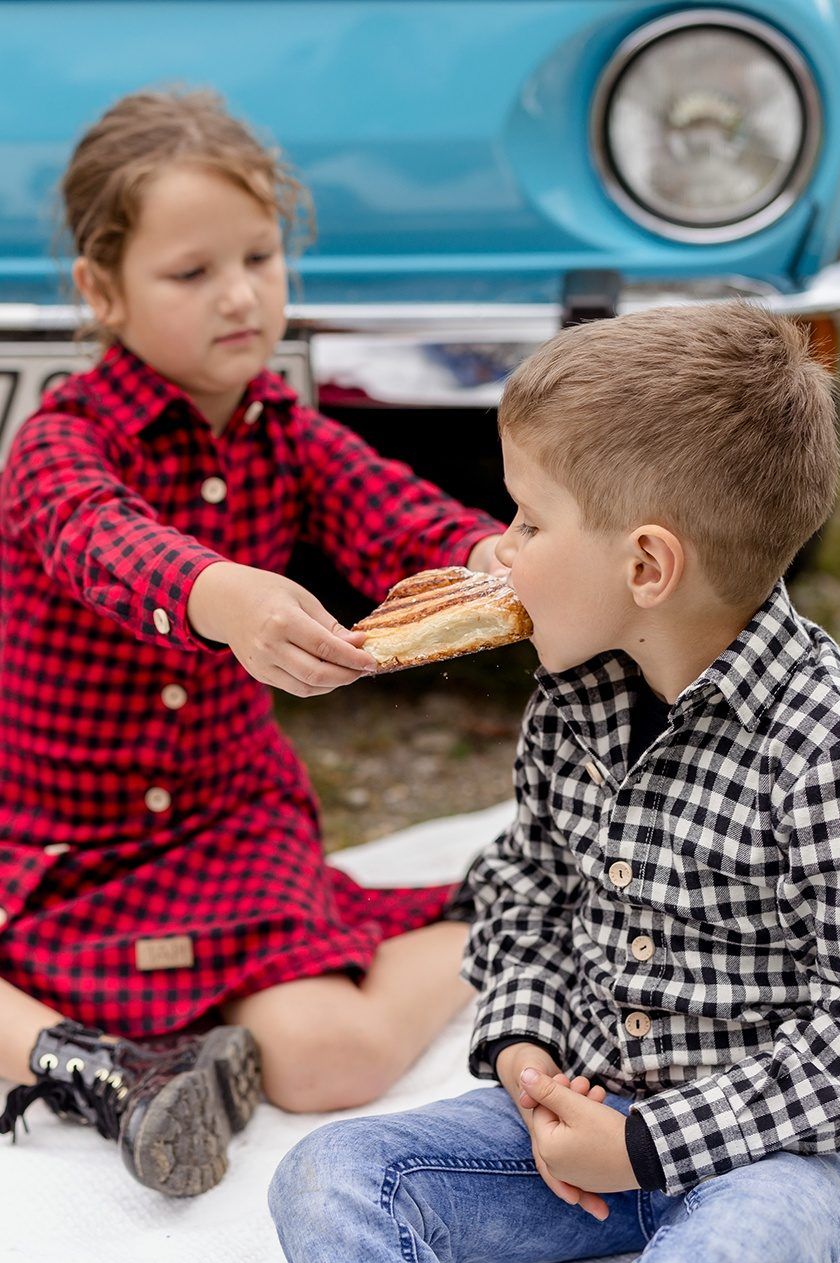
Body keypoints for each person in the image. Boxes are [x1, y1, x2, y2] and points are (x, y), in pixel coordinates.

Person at [268, 304, 840, 1263]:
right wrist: (523, 1048)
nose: (497, 556)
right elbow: (528, 887)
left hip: (772, 1150)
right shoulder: (574, 697)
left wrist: (642, 1148)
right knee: (327, 1178)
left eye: (529, 524)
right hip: (579, 1111)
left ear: (646, 567)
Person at [0, 89, 505, 1197]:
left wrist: (488, 557)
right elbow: (97, 535)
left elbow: (404, 518)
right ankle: (98, 1069)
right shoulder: (58, 441)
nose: (240, 294)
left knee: (331, 1057)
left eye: (261, 257)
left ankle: (510, 903)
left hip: (231, 823)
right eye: (191, 273)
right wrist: (222, 594)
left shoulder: (290, 433)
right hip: (55, 836)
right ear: (102, 292)